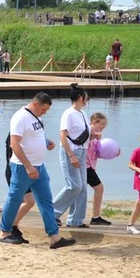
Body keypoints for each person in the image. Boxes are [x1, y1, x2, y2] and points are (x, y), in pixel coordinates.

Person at [0, 93, 76, 248]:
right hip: (22, 167)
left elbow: (34, 135)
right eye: (44, 109)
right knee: (14, 199)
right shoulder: (20, 117)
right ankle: (4, 232)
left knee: (46, 200)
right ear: (35, 104)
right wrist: (27, 165)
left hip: (39, 166)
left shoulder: (37, 117)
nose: (44, 113)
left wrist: (45, 142)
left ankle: (54, 236)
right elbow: (14, 144)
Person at [52, 83, 91, 228]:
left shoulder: (83, 113)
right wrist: (71, 155)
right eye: (87, 97)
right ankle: (52, 213)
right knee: (74, 185)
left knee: (82, 188)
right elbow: (63, 135)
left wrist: (93, 137)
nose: (88, 100)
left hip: (81, 151)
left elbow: (80, 135)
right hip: (71, 152)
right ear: (81, 98)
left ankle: (76, 220)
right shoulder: (68, 114)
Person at [86, 112, 112, 226]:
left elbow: (97, 152)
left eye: (104, 125)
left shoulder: (96, 135)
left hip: (91, 166)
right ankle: (95, 217)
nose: (103, 127)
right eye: (102, 124)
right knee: (99, 188)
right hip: (85, 165)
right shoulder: (88, 131)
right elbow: (81, 145)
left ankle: (95, 216)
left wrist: (113, 152)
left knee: (78, 191)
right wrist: (92, 137)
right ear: (95, 122)